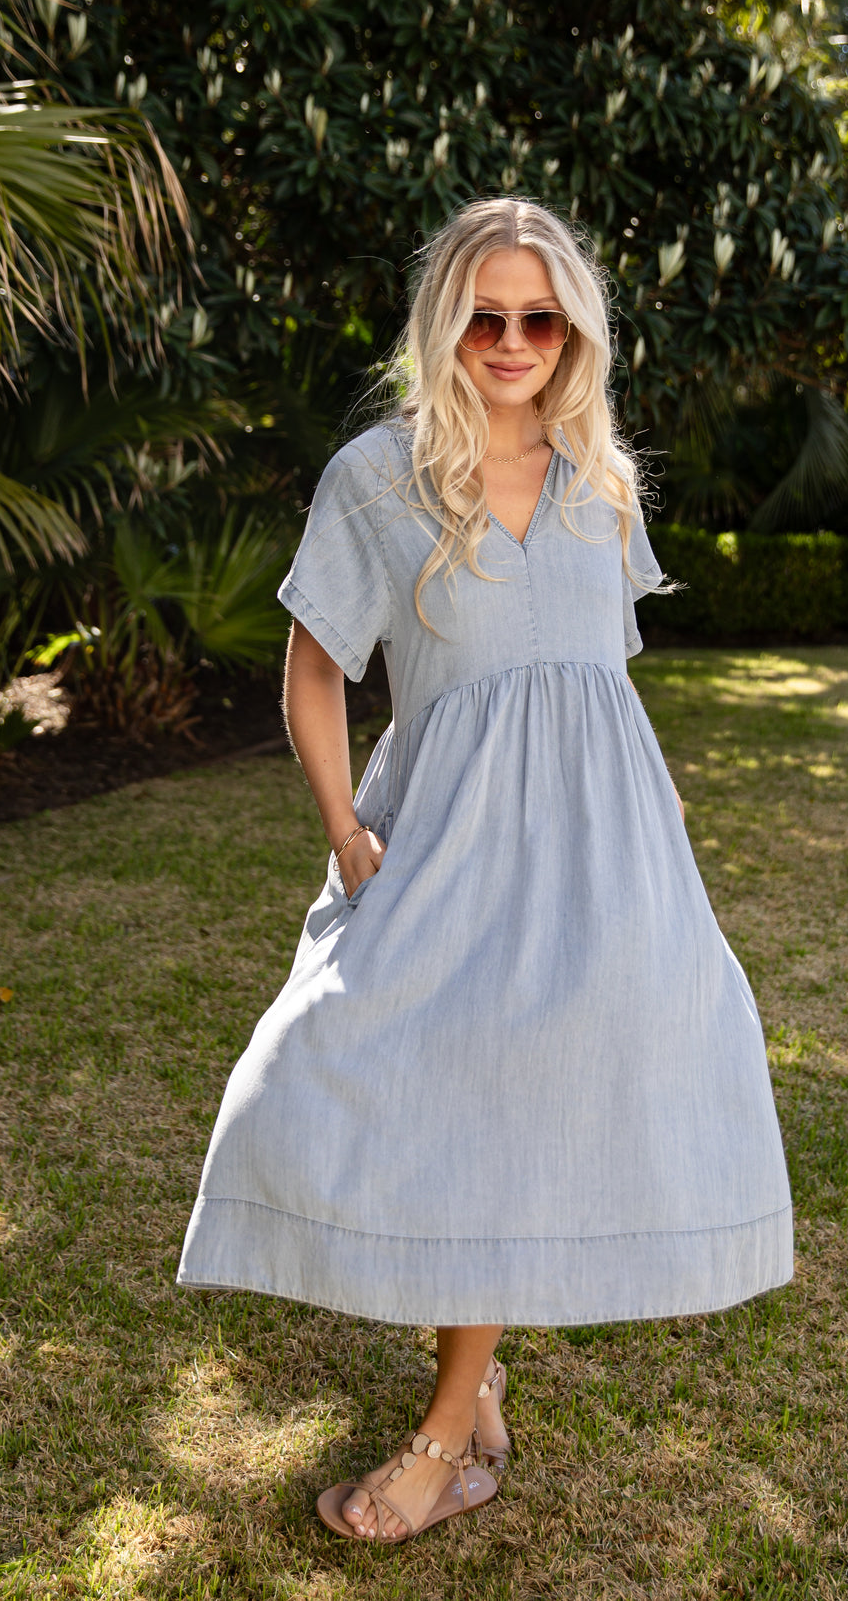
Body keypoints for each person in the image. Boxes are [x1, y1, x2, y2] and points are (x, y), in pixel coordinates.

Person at [177, 196, 793, 1545]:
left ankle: (447, 1437)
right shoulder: (376, 477)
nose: (512, 342)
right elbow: (315, 668)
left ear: (574, 332)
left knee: (522, 1099)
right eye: (484, 317)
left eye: (540, 319)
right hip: (442, 838)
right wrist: (344, 828)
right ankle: (474, 1374)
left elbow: (593, 690)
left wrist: (650, 852)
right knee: (338, 1067)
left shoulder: (604, 482)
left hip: (598, 854)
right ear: (443, 323)